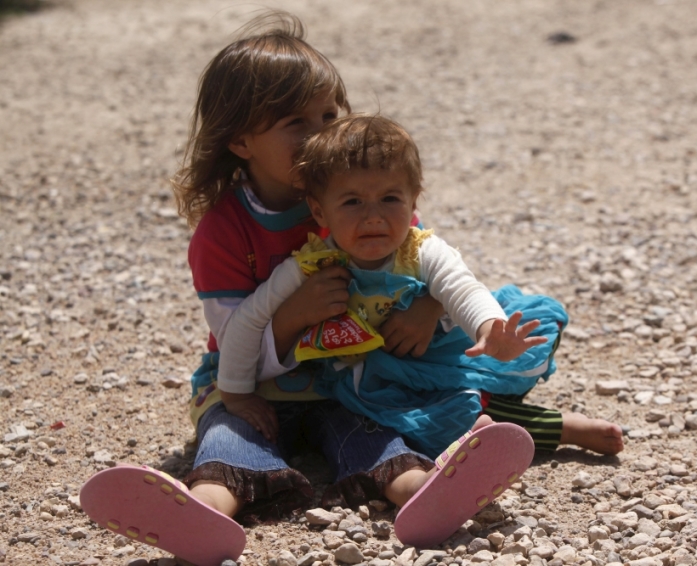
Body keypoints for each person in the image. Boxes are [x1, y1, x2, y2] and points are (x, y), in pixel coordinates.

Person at [78, 12, 535, 563]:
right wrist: (291, 319)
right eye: (297, 121)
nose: (321, 132)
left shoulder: (357, 194)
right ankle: (201, 511)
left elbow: (431, 263)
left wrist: (433, 306)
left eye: (328, 114)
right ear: (240, 141)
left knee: (372, 435)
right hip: (250, 385)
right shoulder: (223, 231)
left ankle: (422, 493)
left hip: (344, 380)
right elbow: (234, 335)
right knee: (228, 437)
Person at [217, 113, 561, 458]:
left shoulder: (420, 248)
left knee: (531, 333)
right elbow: (248, 319)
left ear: (413, 202)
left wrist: (488, 328)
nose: (373, 216)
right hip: (381, 374)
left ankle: (524, 422)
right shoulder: (310, 266)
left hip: (443, 350)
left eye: (390, 199)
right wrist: (235, 393)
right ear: (320, 212)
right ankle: (546, 430)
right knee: (417, 415)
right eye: (352, 202)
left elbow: (462, 287)